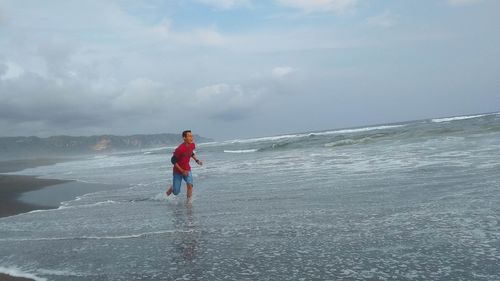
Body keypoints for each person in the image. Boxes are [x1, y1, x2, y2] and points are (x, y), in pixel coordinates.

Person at [166, 130, 203, 201]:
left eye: (192, 136)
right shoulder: (180, 149)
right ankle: (172, 188)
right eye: (189, 136)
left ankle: (188, 203)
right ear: (184, 138)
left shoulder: (192, 145)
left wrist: (197, 160)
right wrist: (182, 171)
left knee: (190, 185)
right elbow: (173, 160)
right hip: (178, 171)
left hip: (187, 169)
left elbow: (191, 152)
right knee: (176, 192)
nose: (191, 138)